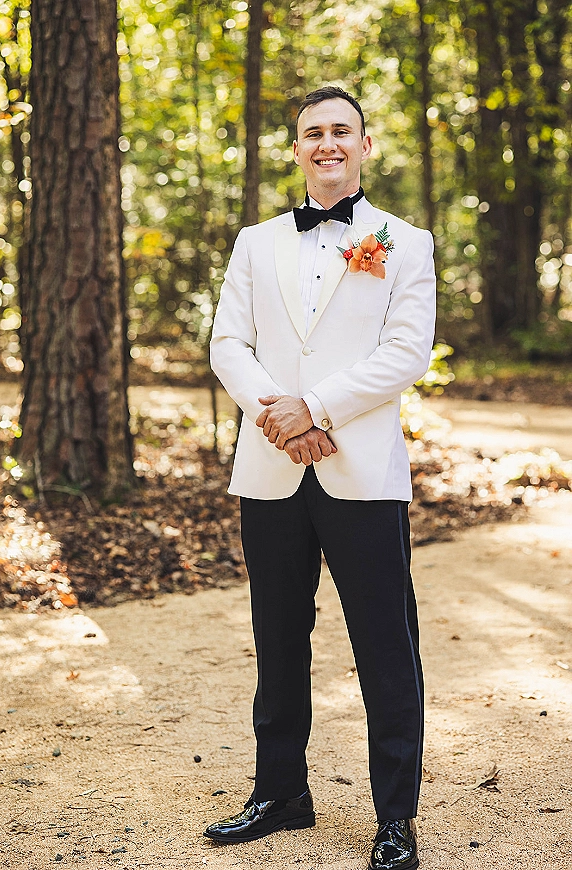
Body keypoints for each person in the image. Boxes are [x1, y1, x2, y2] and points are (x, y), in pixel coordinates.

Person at [205, 85, 436, 870]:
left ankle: (395, 819)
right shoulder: (254, 242)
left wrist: (317, 410)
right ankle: (281, 793)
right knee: (277, 638)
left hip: (362, 472)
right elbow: (228, 344)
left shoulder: (406, 241)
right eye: (313, 133)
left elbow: (405, 353)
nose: (327, 143)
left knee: (384, 645)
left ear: (365, 146)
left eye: (342, 131)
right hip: (270, 469)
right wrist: (278, 416)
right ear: (296, 148)